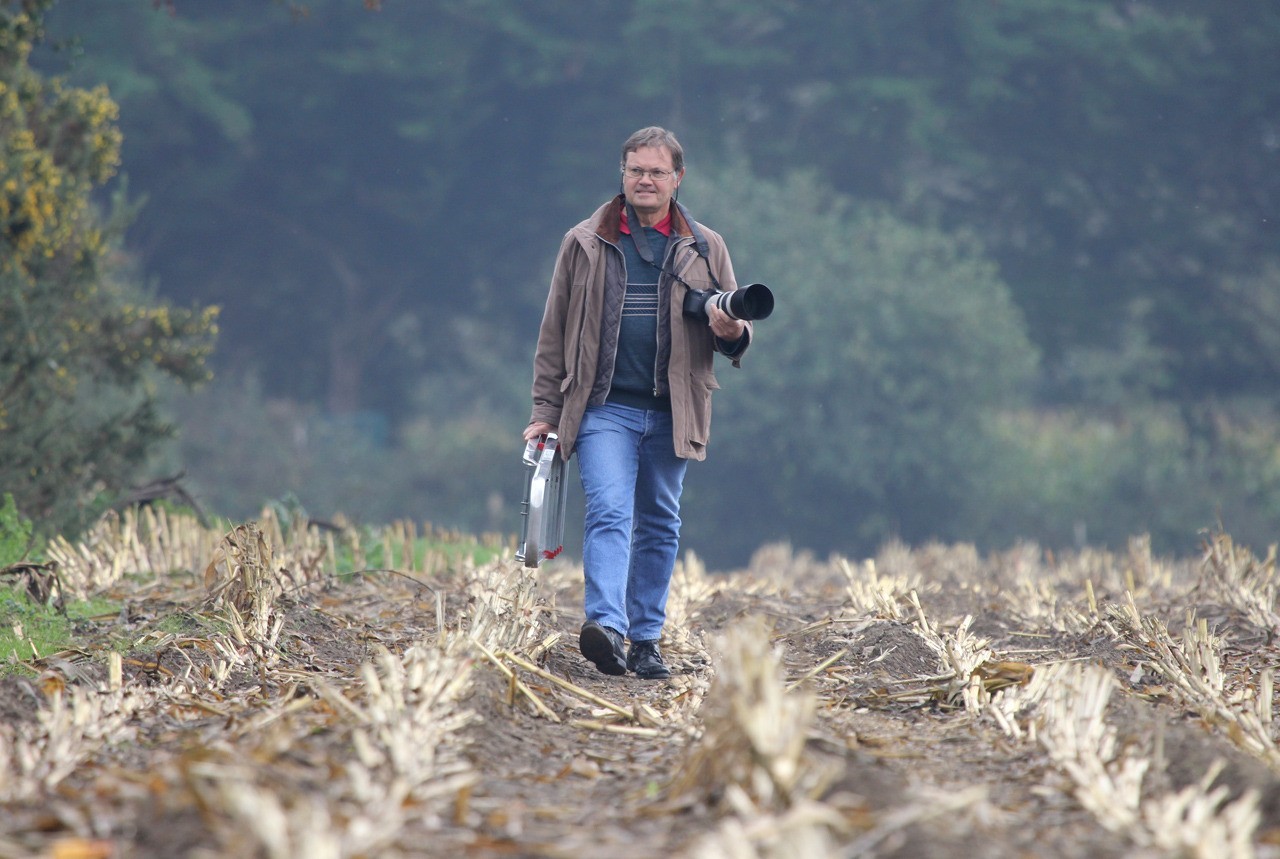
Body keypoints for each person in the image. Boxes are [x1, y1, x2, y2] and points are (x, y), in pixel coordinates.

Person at [524, 126, 753, 680]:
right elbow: (553, 330)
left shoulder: (706, 246)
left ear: (678, 178)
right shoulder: (583, 241)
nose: (644, 180)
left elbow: (737, 331)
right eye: (635, 170)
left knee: (659, 521)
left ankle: (646, 638)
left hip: (675, 409)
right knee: (609, 510)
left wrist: (729, 329)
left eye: (656, 171)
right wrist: (543, 412)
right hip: (603, 406)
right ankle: (605, 627)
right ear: (622, 175)